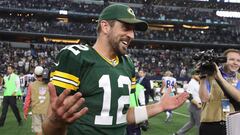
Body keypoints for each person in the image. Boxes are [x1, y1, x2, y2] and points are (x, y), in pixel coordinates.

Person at [42, 3, 189, 135]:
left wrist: (160, 106)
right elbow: (49, 127)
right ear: (105, 26)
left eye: (133, 30)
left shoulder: (128, 64)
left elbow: (122, 116)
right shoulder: (75, 57)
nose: (131, 35)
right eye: (126, 27)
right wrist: (56, 121)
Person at [199, 49, 240, 135]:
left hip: (233, 124)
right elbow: (204, 98)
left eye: (238, 60)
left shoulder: (239, 77)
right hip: (210, 123)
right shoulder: (210, 74)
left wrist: (219, 77)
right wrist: (202, 78)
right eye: (232, 59)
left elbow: (238, 97)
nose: (235, 63)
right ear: (222, 60)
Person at [24, 66, 50, 135]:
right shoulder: (49, 84)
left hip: (36, 111)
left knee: (38, 131)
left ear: (35, 75)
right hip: (47, 111)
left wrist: (26, 111)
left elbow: (27, 100)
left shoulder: (31, 85)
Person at [174, 70, 201, 135]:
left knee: (192, 122)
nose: (199, 75)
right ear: (193, 75)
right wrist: (197, 104)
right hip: (196, 106)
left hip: (194, 105)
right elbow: (189, 95)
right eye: (197, 74)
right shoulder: (192, 83)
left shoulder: (196, 82)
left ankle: (179, 133)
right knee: (200, 124)